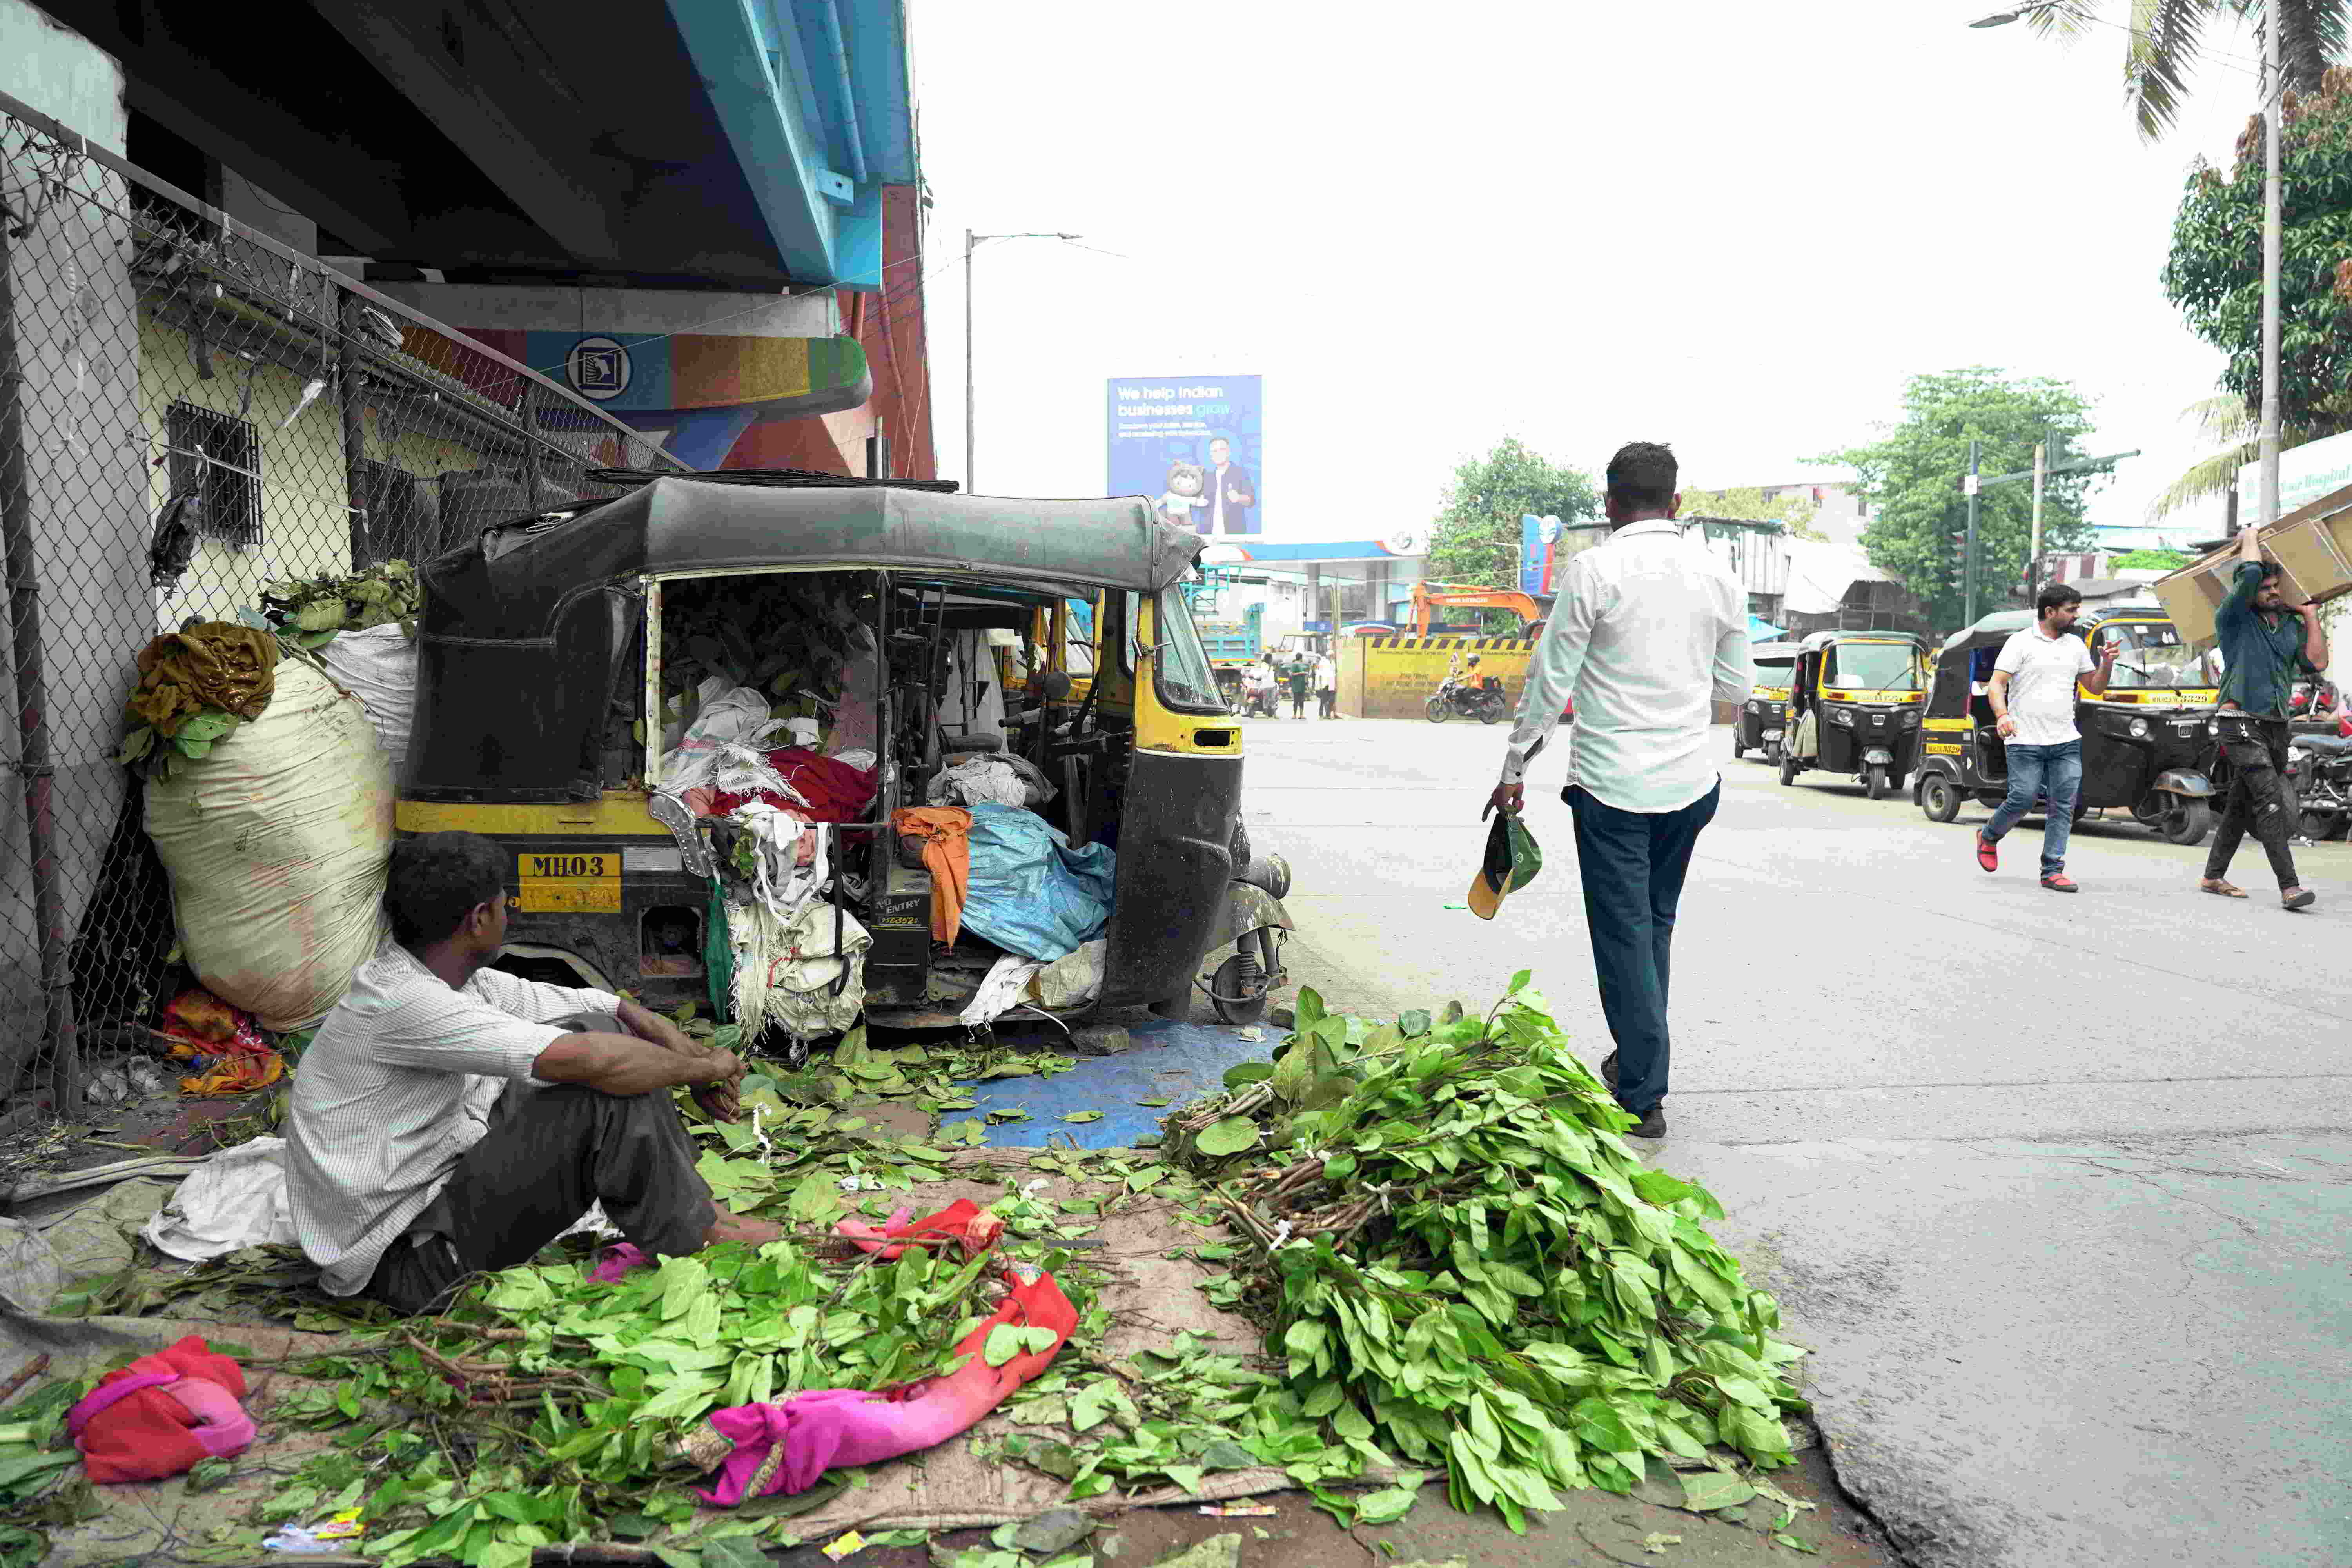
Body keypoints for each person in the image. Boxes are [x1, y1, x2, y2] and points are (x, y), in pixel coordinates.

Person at [284, 832, 779, 1316]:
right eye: (505, 905)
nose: (511, 913)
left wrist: (664, 1035)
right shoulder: (406, 1003)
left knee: (603, 1032)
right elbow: (597, 1061)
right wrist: (706, 1066)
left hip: (437, 1203)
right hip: (411, 1264)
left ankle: (699, 1214)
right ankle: (696, 1237)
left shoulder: (443, 977)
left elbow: (594, 1006)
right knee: (603, 1085)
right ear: (479, 920)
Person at [1486, 441, 1749, 1140]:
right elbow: (1738, 688)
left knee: (1626, 935)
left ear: (1609, 505)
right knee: (1654, 926)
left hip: (1612, 787)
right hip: (1692, 785)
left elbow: (1551, 681)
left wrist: (1515, 769)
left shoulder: (1594, 569)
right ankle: (1636, 1060)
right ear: (1677, 502)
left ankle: (1642, 1090)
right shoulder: (1718, 575)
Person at [2199, 531, 2326, 909]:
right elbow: (2250, 572)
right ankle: (2290, 887)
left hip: (2275, 726)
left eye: (2277, 587)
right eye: (2266, 587)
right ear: (2250, 591)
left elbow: (2317, 663)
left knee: (2242, 803)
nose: (2273, 592)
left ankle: (2212, 875)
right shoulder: (2233, 619)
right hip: (2238, 722)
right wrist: (2251, 537)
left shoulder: (2289, 627)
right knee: (2270, 802)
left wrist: (2310, 615)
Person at [1974, 584, 2117, 892]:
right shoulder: (2020, 643)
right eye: (2071, 610)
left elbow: (2094, 687)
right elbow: (1997, 685)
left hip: (2065, 740)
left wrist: (2107, 663)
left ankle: (2052, 870)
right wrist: (2002, 716)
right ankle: (1988, 836)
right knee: (2023, 799)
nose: (2076, 615)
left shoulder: (2076, 645)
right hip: (2024, 739)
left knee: (2063, 805)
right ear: (2050, 612)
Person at [1203, 437, 1256, 537]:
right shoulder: (1208, 477)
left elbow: (1251, 501)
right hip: (1210, 535)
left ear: (1229, 452)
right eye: (1214, 451)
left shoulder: (1241, 473)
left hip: (1234, 534)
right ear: (1211, 455)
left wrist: (1238, 498)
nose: (1218, 454)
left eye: (1222, 450)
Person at [1313, 648, 1338, 718]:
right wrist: (1320, 685)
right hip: (1325, 683)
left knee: (1332, 699)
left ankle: (1328, 714)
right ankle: (1321, 714)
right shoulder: (1323, 662)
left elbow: (1334, 673)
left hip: (1332, 683)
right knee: (1323, 700)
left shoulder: (1333, 662)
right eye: (1333, 655)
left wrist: (1335, 685)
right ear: (1330, 655)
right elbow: (1319, 674)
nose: (1334, 656)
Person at [1285, 653, 1310, 718]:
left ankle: (1301, 715)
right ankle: (1295, 715)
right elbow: (1291, 674)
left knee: (1302, 701)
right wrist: (1302, 673)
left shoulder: (1300, 665)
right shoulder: (1295, 664)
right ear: (1301, 658)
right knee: (1296, 701)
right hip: (1296, 686)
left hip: (1301, 685)